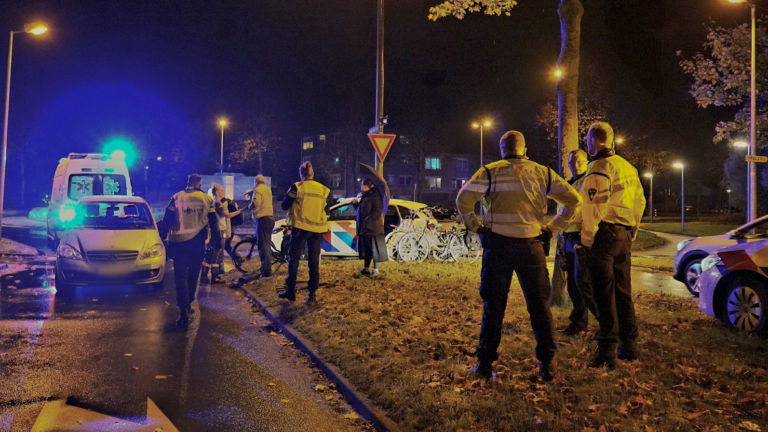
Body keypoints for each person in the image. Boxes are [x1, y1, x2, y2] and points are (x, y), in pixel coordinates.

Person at [456, 131, 582, 382]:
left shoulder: (491, 172)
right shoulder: (542, 173)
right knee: (539, 307)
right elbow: (573, 200)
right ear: (524, 149)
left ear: (502, 149)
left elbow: (463, 199)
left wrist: (475, 225)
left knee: (493, 307)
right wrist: (553, 226)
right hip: (531, 246)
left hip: (497, 246)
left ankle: (484, 365)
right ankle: (547, 364)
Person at [578, 122, 646, 369]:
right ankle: (629, 345)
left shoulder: (599, 166)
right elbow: (640, 201)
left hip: (604, 236)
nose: (587, 144)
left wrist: (587, 238)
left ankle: (607, 352)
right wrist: (632, 230)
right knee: (623, 291)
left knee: (603, 294)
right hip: (623, 236)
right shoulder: (627, 166)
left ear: (595, 141)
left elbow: (593, 206)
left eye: (587, 139)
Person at [158, 173, 214, 328]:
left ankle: (182, 309)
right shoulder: (206, 199)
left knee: (180, 276)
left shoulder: (176, 197)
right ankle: (189, 302)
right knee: (193, 275)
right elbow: (213, 221)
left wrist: (163, 236)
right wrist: (215, 241)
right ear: (199, 184)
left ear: (188, 182)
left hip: (179, 243)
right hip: (197, 243)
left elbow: (167, 219)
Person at [559, 149, 599, 336]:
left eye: (578, 161)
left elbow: (592, 211)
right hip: (567, 238)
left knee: (585, 284)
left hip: (581, 239)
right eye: (571, 162)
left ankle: (606, 325)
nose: (574, 165)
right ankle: (578, 323)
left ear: (586, 162)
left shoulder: (589, 182)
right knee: (573, 286)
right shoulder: (568, 185)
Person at [279, 161, 330, 304]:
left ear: (301, 175)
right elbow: (328, 209)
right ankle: (312, 295)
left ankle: (290, 291)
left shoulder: (297, 187)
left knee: (294, 258)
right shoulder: (323, 189)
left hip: (301, 228)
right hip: (318, 230)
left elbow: (284, 205)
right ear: (312, 174)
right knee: (313, 262)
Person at [205, 184, 245, 283]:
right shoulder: (218, 203)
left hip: (217, 229)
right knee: (216, 252)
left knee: (215, 252)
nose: (224, 192)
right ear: (217, 192)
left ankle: (210, 275)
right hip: (219, 229)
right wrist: (240, 211)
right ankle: (214, 276)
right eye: (222, 190)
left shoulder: (213, 202)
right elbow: (227, 215)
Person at [352, 178, 388, 277]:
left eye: (362, 185)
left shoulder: (375, 196)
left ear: (367, 186)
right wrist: (356, 205)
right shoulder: (365, 196)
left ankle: (376, 270)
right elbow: (362, 210)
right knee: (367, 249)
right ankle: (366, 268)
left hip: (373, 228)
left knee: (375, 249)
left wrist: (367, 220)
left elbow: (377, 211)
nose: (361, 187)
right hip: (365, 227)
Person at [247, 175, 275, 278]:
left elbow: (256, 203)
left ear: (256, 182)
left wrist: (249, 206)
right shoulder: (268, 189)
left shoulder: (258, 190)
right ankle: (267, 269)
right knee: (266, 244)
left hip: (262, 219)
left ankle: (266, 271)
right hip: (270, 218)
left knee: (263, 245)